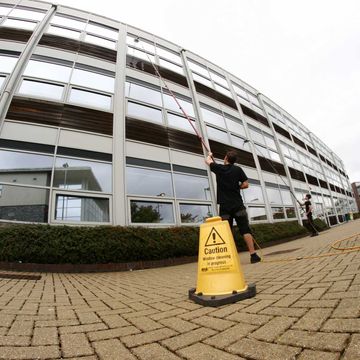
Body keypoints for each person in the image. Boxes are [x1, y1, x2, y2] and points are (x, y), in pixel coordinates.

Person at [205, 150, 261, 264]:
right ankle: (253, 255)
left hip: (225, 207)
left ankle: (230, 258)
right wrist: (237, 187)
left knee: (227, 232)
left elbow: (207, 160)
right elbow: (246, 184)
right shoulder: (238, 169)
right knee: (245, 230)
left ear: (225, 158)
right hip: (238, 205)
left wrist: (210, 155)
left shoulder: (218, 168)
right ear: (234, 161)